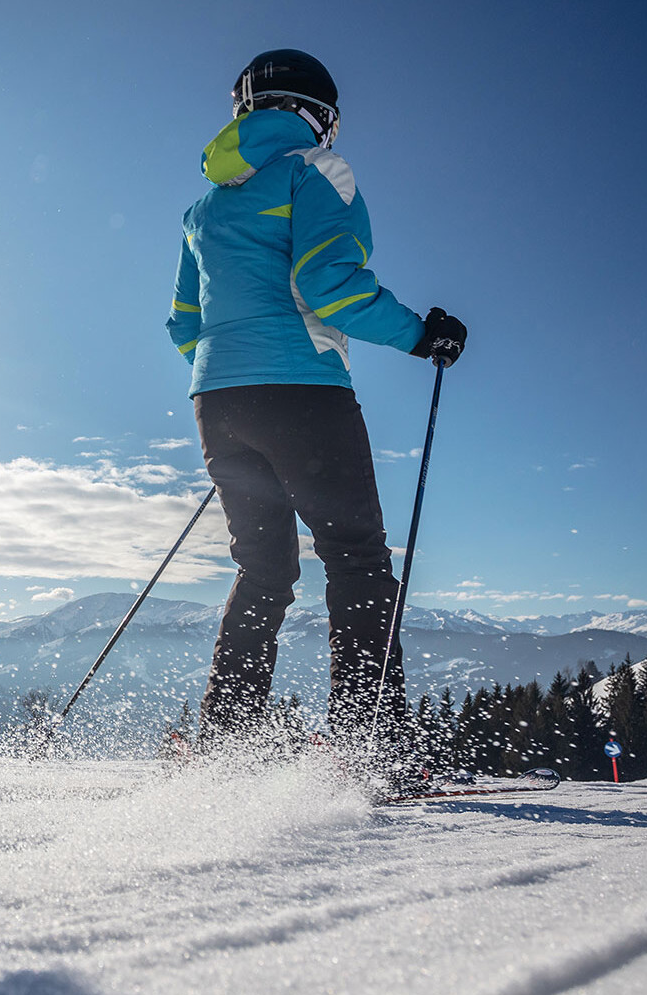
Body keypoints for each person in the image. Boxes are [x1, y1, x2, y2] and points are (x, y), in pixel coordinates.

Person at [165, 49, 467, 784]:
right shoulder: (314, 171)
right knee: (356, 558)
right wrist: (422, 335)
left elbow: (182, 325)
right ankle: (372, 751)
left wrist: (238, 394)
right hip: (301, 392)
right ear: (315, 113)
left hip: (218, 403)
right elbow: (328, 284)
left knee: (263, 570)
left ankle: (226, 744)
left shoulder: (202, 209)